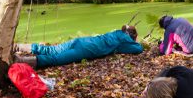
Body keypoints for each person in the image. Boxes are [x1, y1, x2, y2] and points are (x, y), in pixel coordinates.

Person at [13, 25, 142, 69]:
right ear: (131, 36)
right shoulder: (124, 42)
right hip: (85, 50)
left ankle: (18, 46)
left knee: (51, 50)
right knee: (56, 59)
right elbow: (138, 49)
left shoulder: (115, 33)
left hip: (82, 41)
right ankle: (21, 61)